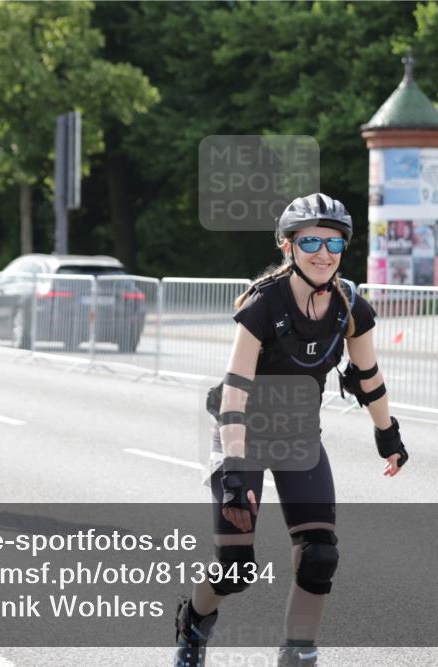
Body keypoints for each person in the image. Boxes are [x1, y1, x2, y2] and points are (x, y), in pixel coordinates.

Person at [173, 193, 409, 667]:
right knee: (235, 570)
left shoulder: (350, 307)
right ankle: (193, 623)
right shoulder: (263, 305)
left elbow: (368, 376)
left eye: (334, 243)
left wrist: (388, 435)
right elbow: (235, 394)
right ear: (288, 247)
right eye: (311, 241)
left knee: (320, 556)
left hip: (299, 437)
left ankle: (297, 655)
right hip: (242, 434)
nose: (324, 253)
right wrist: (236, 475)